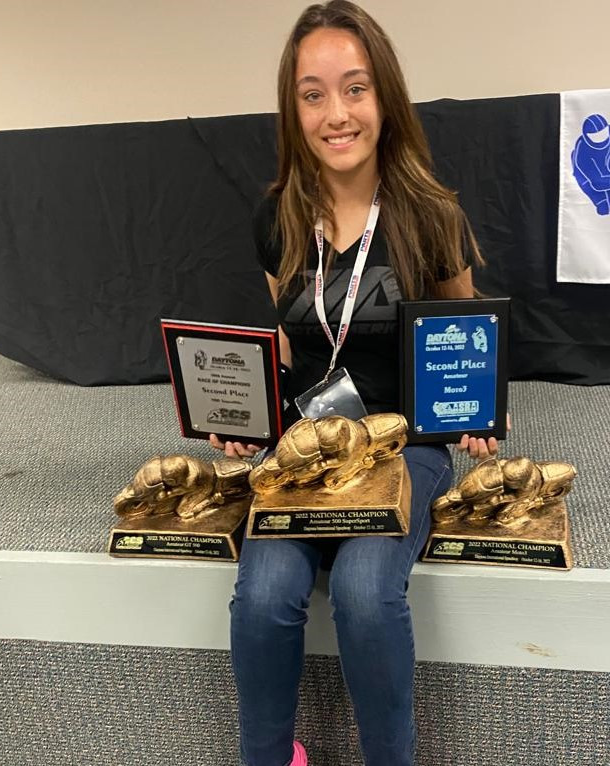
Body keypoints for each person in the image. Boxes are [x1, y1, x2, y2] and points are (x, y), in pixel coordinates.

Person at [210, 3, 500, 764]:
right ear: (292, 107)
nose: (334, 113)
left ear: (385, 98)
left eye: (354, 88)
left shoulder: (431, 216)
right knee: (263, 595)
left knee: (365, 593)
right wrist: (245, 408)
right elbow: (287, 336)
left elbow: (462, 338)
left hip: (403, 442)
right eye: (312, 93)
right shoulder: (277, 214)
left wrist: (472, 410)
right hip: (306, 447)